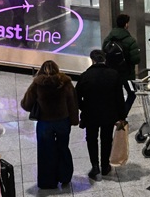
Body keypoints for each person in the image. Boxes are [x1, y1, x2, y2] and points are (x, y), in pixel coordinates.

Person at [21, 60, 79, 189]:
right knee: (63, 148)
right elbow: (72, 103)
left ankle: (47, 182)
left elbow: (26, 105)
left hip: (45, 123)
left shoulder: (37, 84)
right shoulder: (66, 82)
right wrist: (74, 120)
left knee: (45, 152)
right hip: (63, 121)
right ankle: (65, 177)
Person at [76, 49, 125, 180]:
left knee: (91, 139)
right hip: (109, 114)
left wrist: (84, 108)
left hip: (90, 114)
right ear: (105, 59)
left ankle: (95, 166)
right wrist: (122, 116)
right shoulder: (114, 74)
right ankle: (105, 165)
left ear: (92, 60)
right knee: (106, 139)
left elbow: (76, 97)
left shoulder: (85, 76)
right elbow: (119, 98)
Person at [101, 14, 141, 118]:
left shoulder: (108, 38)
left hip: (111, 73)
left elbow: (104, 51)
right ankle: (122, 115)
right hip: (127, 74)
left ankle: (114, 114)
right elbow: (136, 60)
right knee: (132, 94)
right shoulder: (131, 41)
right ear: (126, 24)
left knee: (115, 95)